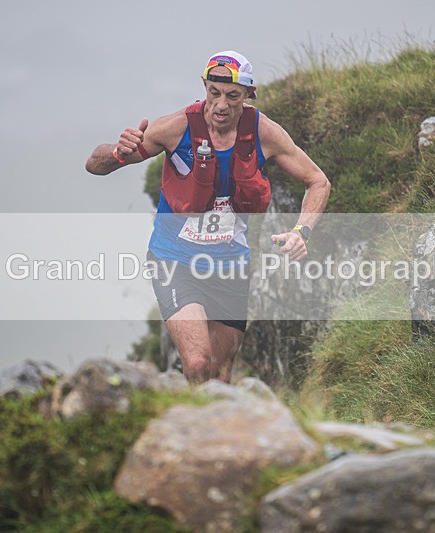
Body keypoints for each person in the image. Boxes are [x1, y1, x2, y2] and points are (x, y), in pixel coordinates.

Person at [86, 51, 330, 384]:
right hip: (175, 260)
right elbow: (94, 165)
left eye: (232, 96)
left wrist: (302, 231)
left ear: (247, 95)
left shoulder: (264, 133)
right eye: (214, 93)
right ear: (204, 86)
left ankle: (212, 428)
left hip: (231, 264)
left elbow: (318, 181)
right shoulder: (176, 128)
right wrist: (117, 153)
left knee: (219, 372)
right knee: (198, 362)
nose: (221, 105)